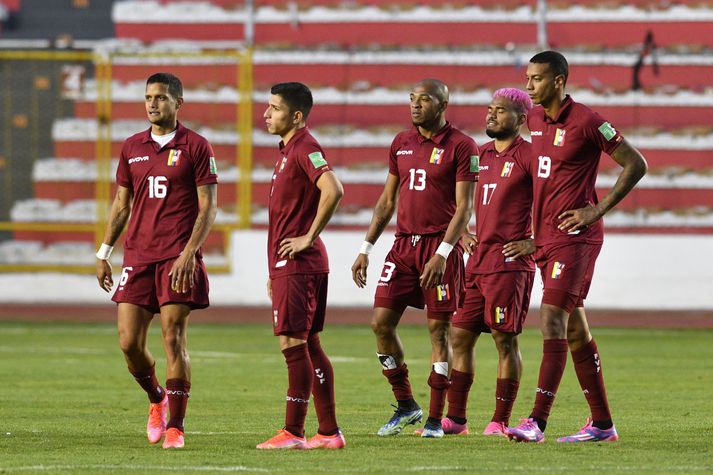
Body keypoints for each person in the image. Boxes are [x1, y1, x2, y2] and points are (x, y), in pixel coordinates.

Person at [507, 50, 648, 443]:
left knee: (551, 316)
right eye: (527, 77)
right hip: (546, 239)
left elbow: (635, 163)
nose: (529, 85)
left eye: (536, 79)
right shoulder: (533, 119)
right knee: (574, 329)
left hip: (577, 237)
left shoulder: (588, 120)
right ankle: (602, 424)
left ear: (558, 80)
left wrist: (595, 209)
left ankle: (537, 421)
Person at [95, 72, 218, 449]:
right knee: (129, 342)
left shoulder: (197, 146)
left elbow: (208, 207)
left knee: (173, 338)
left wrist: (188, 254)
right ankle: (157, 399)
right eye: (148, 97)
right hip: (139, 254)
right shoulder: (131, 146)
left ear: (178, 103)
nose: (153, 104)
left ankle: (176, 427)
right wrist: (104, 251)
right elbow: (122, 204)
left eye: (161, 98)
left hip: (176, 258)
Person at [351, 79, 479, 438]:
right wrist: (366, 248)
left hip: (439, 247)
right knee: (380, 322)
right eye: (412, 98)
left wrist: (443, 253)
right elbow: (387, 201)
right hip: (403, 246)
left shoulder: (463, 146)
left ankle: (436, 420)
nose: (416, 105)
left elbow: (464, 208)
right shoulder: (400, 143)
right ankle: (407, 404)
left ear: (443, 105)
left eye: (425, 99)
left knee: (439, 332)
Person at [435, 88, 536, 437]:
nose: (491, 116)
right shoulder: (480, 155)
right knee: (460, 338)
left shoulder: (531, 156)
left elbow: (554, 201)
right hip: (476, 262)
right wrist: (461, 234)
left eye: (501, 111)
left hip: (509, 265)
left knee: (504, 341)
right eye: (490, 109)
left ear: (521, 119)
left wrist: (535, 242)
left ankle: (499, 420)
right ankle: (456, 419)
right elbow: (456, 200)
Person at [256, 82, 346, 450]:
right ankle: (328, 432)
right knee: (308, 344)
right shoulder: (288, 150)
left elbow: (334, 189)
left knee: (293, 343)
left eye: (274, 108)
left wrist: (308, 237)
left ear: (296, 116)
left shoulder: (304, 147)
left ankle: (293, 432)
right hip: (294, 265)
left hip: (300, 262)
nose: (266, 113)